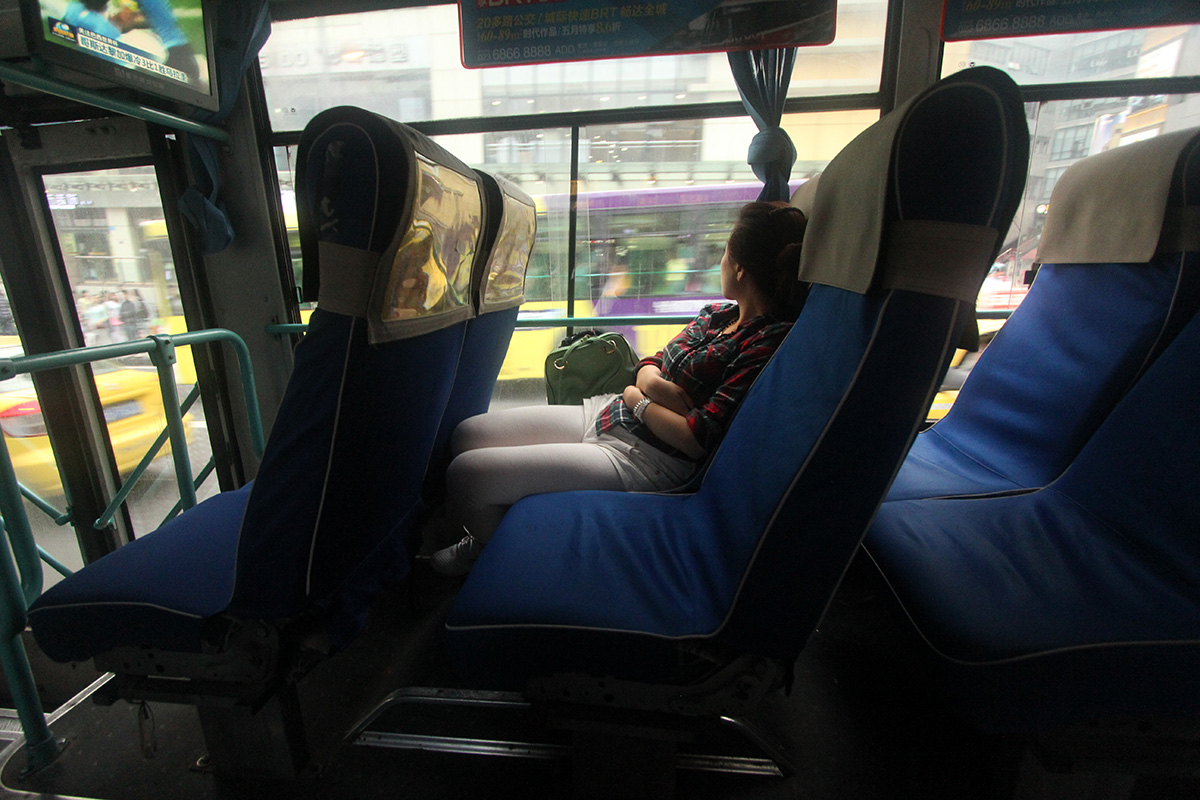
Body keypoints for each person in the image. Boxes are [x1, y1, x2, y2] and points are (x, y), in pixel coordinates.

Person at [429, 201, 810, 576]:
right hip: (612, 413)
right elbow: (651, 362)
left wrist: (638, 397)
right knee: (467, 434)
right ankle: (493, 521)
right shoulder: (717, 315)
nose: (721, 261)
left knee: (467, 474)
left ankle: (486, 553)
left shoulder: (766, 341)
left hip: (646, 458)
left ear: (740, 268)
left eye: (725, 252)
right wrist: (648, 385)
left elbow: (695, 439)